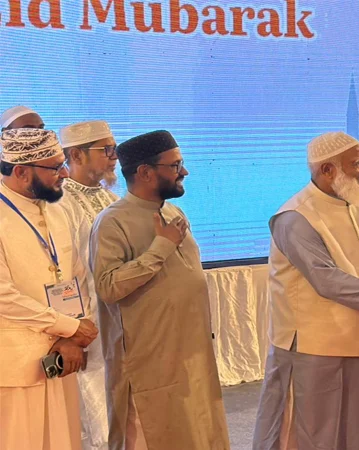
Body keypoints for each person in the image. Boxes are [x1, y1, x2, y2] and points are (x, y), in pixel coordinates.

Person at [252, 131, 359, 450]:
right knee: (309, 434)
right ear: (327, 170)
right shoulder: (295, 218)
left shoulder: (354, 204)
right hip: (311, 345)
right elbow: (328, 281)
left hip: (352, 336)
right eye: (356, 163)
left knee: (350, 430)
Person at [89, 130, 229, 450]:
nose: (184, 171)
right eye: (175, 165)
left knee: (200, 433)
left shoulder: (173, 212)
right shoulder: (112, 222)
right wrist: (160, 248)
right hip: (149, 364)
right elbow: (108, 287)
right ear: (145, 172)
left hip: (191, 353)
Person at [0, 128, 99, 450]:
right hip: (14, 365)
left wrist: (72, 337)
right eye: (55, 167)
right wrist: (68, 327)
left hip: (61, 357)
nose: (65, 174)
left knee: (63, 440)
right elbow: (3, 296)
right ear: (21, 171)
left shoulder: (58, 210)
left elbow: (77, 276)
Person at [58, 120, 120, 450]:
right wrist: (70, 329)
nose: (114, 157)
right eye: (106, 150)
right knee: (90, 411)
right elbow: (61, 273)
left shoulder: (112, 199)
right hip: (84, 322)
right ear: (77, 155)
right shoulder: (58, 202)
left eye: (115, 149)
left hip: (118, 316)